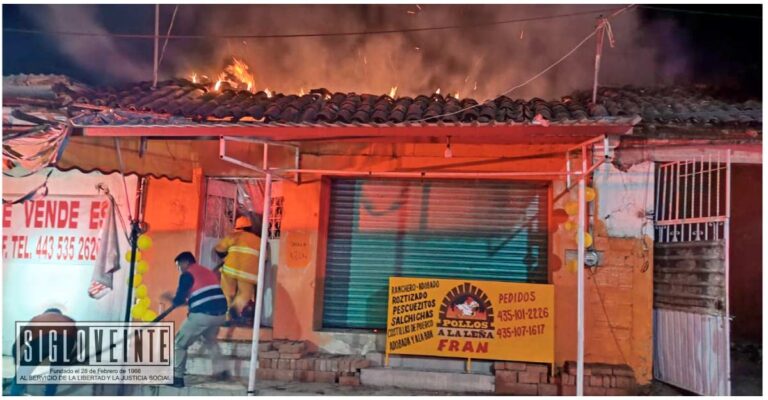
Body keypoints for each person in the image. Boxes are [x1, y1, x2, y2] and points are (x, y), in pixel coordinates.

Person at [165, 251, 228, 388]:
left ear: (186, 262)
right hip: (220, 315)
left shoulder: (187, 275)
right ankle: (222, 370)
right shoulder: (207, 272)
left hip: (203, 315)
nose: (178, 269)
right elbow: (202, 296)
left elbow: (179, 300)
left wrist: (170, 299)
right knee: (210, 340)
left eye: (179, 265)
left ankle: (177, 378)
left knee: (179, 343)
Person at [10, 308, 76, 396]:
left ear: (45, 313)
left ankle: (15, 394)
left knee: (25, 369)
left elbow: (21, 339)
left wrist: (16, 356)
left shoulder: (37, 318)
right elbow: (77, 341)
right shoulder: (69, 320)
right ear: (60, 313)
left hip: (42, 340)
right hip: (65, 341)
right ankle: (49, 394)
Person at [214, 215, 263, 323]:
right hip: (247, 274)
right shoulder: (258, 240)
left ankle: (226, 318)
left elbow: (218, 249)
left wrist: (224, 257)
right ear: (250, 228)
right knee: (245, 294)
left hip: (229, 270)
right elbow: (264, 258)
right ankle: (236, 307)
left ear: (237, 227)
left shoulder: (233, 236)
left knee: (227, 294)